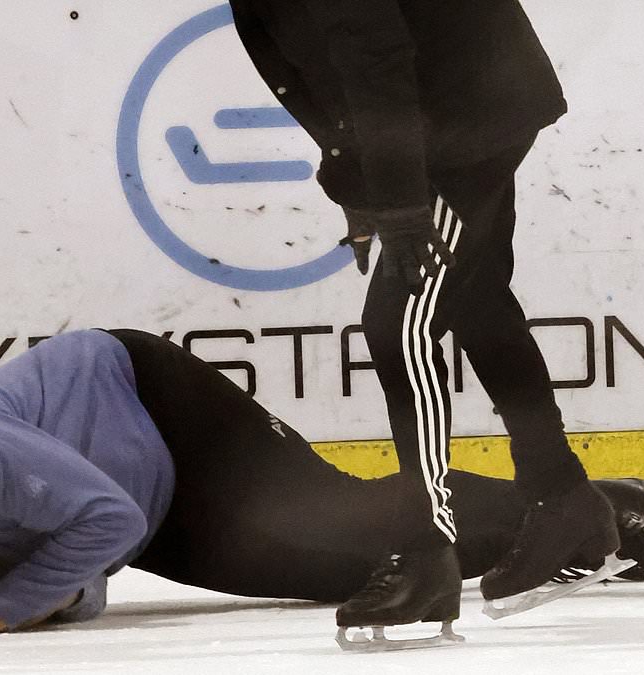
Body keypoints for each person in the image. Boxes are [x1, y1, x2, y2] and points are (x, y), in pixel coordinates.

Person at [0, 330, 644, 640]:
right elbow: (91, 588)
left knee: (341, 514)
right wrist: (20, 598)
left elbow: (97, 519)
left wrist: (1, 605)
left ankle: (607, 508)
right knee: (340, 568)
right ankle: (570, 538)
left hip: (148, 401)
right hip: (144, 501)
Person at [224, 0, 621, 629]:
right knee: (477, 299)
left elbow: (374, 57)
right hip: (453, 104)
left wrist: (401, 203)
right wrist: (359, 183)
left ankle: (427, 547)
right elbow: (321, 70)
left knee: (397, 325)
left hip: (467, 115)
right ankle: (565, 499)